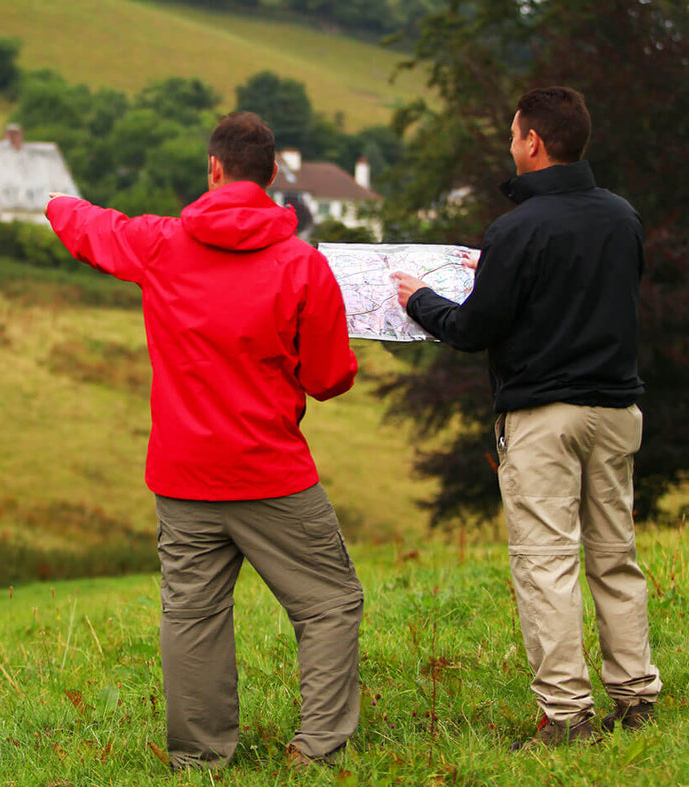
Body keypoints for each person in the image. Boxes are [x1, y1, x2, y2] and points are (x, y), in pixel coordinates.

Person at [45, 111, 363, 770]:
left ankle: (199, 760)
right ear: (272, 177)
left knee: (193, 616)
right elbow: (330, 378)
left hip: (184, 476)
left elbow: (92, 228)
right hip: (271, 473)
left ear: (214, 169)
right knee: (330, 602)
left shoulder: (159, 244)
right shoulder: (302, 265)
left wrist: (54, 201)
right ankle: (317, 749)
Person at [392, 86, 662, 748]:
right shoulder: (623, 217)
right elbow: (588, 291)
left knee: (546, 562)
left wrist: (420, 299)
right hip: (617, 409)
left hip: (543, 417)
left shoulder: (516, 229)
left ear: (533, 142)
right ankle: (637, 699)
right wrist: (502, 271)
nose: (511, 146)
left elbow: (473, 328)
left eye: (514, 136)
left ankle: (568, 716)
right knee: (615, 556)